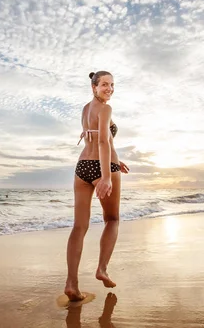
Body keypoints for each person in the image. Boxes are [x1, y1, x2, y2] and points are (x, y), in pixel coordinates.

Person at [65, 71, 130, 301]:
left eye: (112, 85)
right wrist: (106, 176)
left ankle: (71, 284)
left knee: (79, 226)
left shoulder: (86, 109)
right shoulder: (106, 109)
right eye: (104, 85)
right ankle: (101, 269)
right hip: (102, 167)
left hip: (82, 167)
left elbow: (96, 139)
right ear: (94, 87)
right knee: (112, 220)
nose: (109, 89)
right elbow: (102, 140)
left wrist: (116, 159)